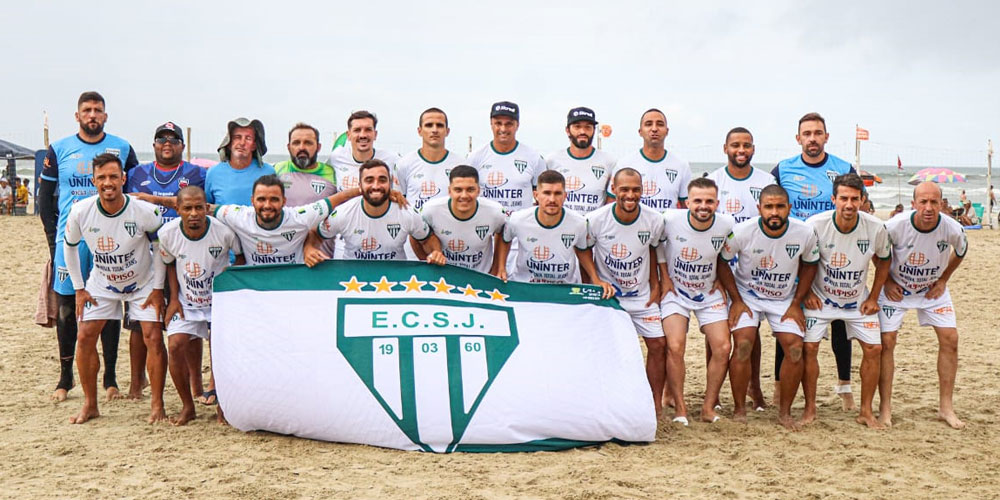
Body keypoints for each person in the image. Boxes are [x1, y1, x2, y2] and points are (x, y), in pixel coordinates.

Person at [39, 91, 139, 402]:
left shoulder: (122, 148)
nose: (92, 115)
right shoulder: (59, 149)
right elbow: (45, 200)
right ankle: (65, 377)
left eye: (97, 110)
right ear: (77, 116)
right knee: (67, 308)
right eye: (87, 110)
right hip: (70, 240)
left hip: (110, 241)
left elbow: (134, 193)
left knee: (109, 305)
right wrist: (53, 240)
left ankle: (110, 378)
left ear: (105, 116)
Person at [62, 153, 165, 424]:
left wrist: (158, 288)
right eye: (102, 177)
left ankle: (157, 405)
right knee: (85, 336)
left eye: (113, 177)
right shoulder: (81, 211)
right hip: (102, 282)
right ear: (93, 181)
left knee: (154, 337)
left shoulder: (144, 211)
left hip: (142, 282)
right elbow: (69, 248)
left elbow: (160, 247)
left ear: (123, 179)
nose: (108, 183)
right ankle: (90, 404)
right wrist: (79, 288)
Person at [772, 112, 856, 410]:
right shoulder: (783, 169)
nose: (812, 138)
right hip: (795, 256)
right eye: (807, 134)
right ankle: (779, 387)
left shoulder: (843, 168)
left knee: (839, 323)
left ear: (826, 137)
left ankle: (845, 387)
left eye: (817, 133)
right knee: (789, 322)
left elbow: (856, 205)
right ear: (798, 139)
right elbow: (773, 206)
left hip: (834, 255)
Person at [721, 184, 819, 429]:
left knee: (795, 349)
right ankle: (740, 409)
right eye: (769, 207)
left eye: (780, 206)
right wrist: (736, 300)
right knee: (743, 344)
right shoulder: (742, 231)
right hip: (748, 295)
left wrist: (796, 302)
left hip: (784, 298)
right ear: (759, 208)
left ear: (789, 208)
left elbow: (810, 265)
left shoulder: (804, 232)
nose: (774, 212)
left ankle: (784, 412)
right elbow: (722, 262)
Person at [124, 122, 207, 401]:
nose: (167, 143)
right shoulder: (136, 173)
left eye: (173, 139)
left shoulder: (197, 173)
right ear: (154, 145)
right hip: (145, 256)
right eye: (161, 139)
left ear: (182, 145)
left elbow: (200, 205)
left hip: (184, 255)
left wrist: (153, 199)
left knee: (188, 322)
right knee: (140, 322)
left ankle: (196, 384)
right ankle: (137, 383)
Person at [802, 173, 890, 428]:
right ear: (834, 199)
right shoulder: (815, 225)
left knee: (874, 349)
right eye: (843, 198)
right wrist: (806, 293)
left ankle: (865, 411)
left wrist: (874, 297)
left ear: (862, 200)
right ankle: (810, 409)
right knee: (809, 348)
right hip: (821, 299)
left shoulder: (875, 227)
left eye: (854, 199)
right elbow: (800, 260)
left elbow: (885, 261)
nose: (849, 204)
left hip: (857, 300)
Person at [878, 182, 968, 429]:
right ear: (913, 204)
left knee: (950, 339)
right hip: (897, 289)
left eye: (934, 202)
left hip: (931, 290)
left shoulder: (952, 228)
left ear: (941, 204)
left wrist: (944, 279)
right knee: (887, 342)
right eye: (923, 202)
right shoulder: (895, 225)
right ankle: (885, 408)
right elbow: (877, 252)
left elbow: (961, 250)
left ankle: (946, 408)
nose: (928, 207)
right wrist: (887, 281)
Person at [158, 186, 242, 425]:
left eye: (198, 207)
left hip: (219, 302)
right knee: (175, 345)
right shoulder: (167, 234)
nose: (194, 213)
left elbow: (240, 257)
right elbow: (169, 264)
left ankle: (223, 406)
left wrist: (230, 287)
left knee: (222, 351)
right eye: (187, 208)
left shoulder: (224, 232)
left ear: (207, 208)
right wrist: (174, 299)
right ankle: (188, 406)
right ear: (178, 209)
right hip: (187, 302)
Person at [586, 168, 667, 417]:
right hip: (609, 298)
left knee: (659, 345)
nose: (630, 195)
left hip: (641, 296)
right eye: (624, 189)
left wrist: (656, 284)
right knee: (607, 349)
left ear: (643, 191)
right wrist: (595, 281)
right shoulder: (595, 219)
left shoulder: (654, 220)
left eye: (635, 190)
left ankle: (654, 403)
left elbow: (653, 248)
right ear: (613, 189)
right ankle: (607, 400)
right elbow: (583, 251)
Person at [656, 177, 737, 424]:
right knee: (675, 346)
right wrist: (664, 278)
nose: (703, 206)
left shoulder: (727, 224)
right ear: (687, 203)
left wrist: (721, 279)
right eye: (698, 201)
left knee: (723, 347)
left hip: (708, 293)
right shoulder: (670, 219)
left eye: (709, 201)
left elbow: (725, 256)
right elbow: (656, 245)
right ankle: (680, 408)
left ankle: (708, 407)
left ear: (717, 203)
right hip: (676, 292)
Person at [707, 126, 775, 411]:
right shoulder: (713, 180)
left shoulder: (766, 180)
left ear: (753, 149)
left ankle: (754, 387)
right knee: (716, 334)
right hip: (717, 267)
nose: (741, 150)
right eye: (735, 145)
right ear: (725, 148)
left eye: (746, 145)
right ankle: (714, 393)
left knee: (751, 331)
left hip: (751, 271)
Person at [497, 170, 613, 297]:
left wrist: (595, 279)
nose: (552, 199)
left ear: (565, 196)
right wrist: (501, 267)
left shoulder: (579, 223)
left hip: (564, 290)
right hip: (524, 286)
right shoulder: (517, 219)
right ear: (536, 195)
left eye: (557, 193)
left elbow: (582, 250)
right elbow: (504, 239)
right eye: (547, 193)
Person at [309, 159, 446, 265]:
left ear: (390, 184)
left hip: (394, 281)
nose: (376, 186)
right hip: (352, 281)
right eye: (369, 180)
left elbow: (427, 238)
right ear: (360, 186)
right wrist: (309, 249)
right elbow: (316, 235)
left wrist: (436, 252)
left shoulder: (406, 212)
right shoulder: (343, 213)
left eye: (382, 180)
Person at [214, 174, 364, 266]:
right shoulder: (238, 216)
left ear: (284, 201)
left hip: (292, 288)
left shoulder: (299, 217)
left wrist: (367, 190)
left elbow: (338, 197)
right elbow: (208, 208)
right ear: (252, 201)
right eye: (261, 199)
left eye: (274, 199)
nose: (267, 205)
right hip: (256, 290)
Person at [467, 101, 546, 272]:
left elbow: (542, 199)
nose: (503, 129)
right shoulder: (475, 157)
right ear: (491, 124)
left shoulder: (533, 158)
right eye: (498, 123)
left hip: (520, 240)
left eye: (509, 124)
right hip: (485, 239)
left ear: (517, 125)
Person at [419, 165, 506, 273]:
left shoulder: (495, 212)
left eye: (470, 190)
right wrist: (426, 263)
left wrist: (498, 267)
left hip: (480, 277)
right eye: (458, 190)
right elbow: (415, 235)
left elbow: (503, 233)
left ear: (478, 191)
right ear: (449, 191)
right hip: (443, 277)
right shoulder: (430, 210)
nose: (464, 195)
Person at [274, 123, 338, 259]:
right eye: (296, 143)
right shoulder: (276, 170)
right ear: (288, 147)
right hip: (284, 258)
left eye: (308, 143)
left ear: (318, 147)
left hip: (322, 258)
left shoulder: (333, 173)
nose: (302, 147)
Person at [609, 109, 692, 211]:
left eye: (660, 124)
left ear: (667, 131)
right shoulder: (624, 164)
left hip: (666, 222)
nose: (654, 129)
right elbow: (611, 205)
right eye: (648, 124)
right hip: (636, 222)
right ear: (640, 132)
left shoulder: (681, 165)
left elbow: (686, 208)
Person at [544, 107, 616, 214]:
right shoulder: (551, 160)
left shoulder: (609, 161)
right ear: (567, 130)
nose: (583, 131)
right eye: (577, 127)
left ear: (594, 130)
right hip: (561, 223)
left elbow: (611, 202)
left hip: (593, 224)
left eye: (588, 127)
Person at [395, 108, 467, 212]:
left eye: (440, 125)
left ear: (447, 131)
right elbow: (398, 203)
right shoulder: (404, 164)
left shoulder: (461, 164)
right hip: (415, 223)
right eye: (429, 125)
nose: (434, 130)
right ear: (419, 131)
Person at [204, 117, 274, 206]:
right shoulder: (213, 173)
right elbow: (207, 207)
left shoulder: (268, 172)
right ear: (229, 143)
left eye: (248, 138)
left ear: (254, 146)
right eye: (237, 137)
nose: (242, 143)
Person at [329, 110, 400, 197]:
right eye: (357, 130)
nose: (363, 135)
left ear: (375, 134)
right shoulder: (337, 157)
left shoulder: (392, 159)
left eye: (368, 130)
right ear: (348, 135)